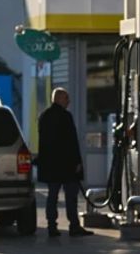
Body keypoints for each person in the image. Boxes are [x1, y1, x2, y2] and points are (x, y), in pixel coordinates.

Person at [37, 87, 94, 237]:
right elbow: (71, 142)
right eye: (66, 98)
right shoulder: (66, 116)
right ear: (59, 99)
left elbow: (43, 143)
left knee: (52, 196)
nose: (68, 101)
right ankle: (74, 226)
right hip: (67, 165)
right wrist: (77, 162)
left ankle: (51, 226)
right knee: (71, 197)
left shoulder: (44, 116)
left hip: (50, 165)